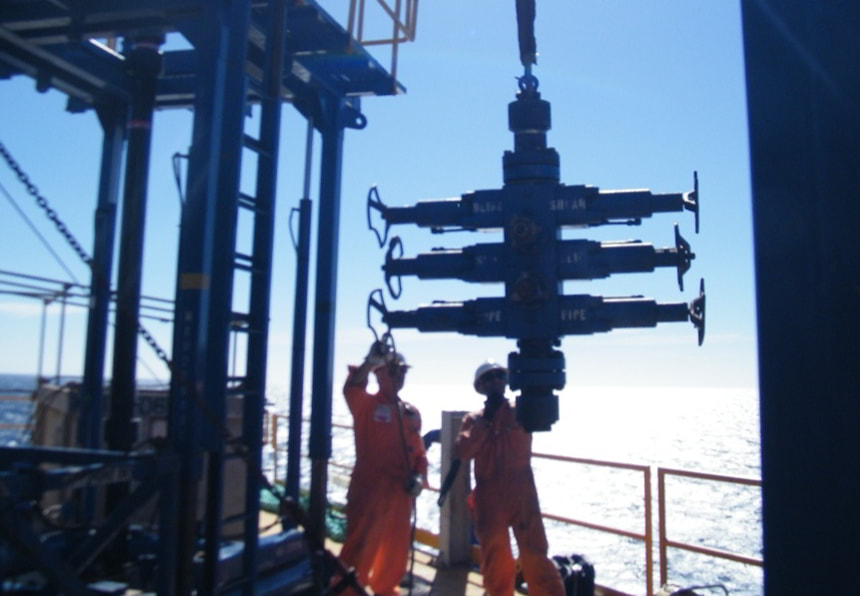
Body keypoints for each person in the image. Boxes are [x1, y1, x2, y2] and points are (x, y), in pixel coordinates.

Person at [455, 359, 565, 596]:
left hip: (522, 493)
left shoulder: (522, 411)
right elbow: (463, 451)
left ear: (506, 381)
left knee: (536, 555)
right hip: (489, 498)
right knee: (496, 561)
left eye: (499, 376)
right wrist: (487, 420)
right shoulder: (473, 420)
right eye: (488, 378)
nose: (495, 382)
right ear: (480, 387)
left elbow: (543, 413)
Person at [337, 341, 428, 596]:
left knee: (395, 552)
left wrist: (419, 478)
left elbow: (419, 454)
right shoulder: (365, 405)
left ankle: (386, 591)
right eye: (393, 371)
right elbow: (353, 387)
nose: (399, 377)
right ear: (378, 374)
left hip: (401, 494)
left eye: (402, 372)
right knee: (359, 549)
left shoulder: (411, 413)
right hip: (369, 491)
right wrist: (370, 361)